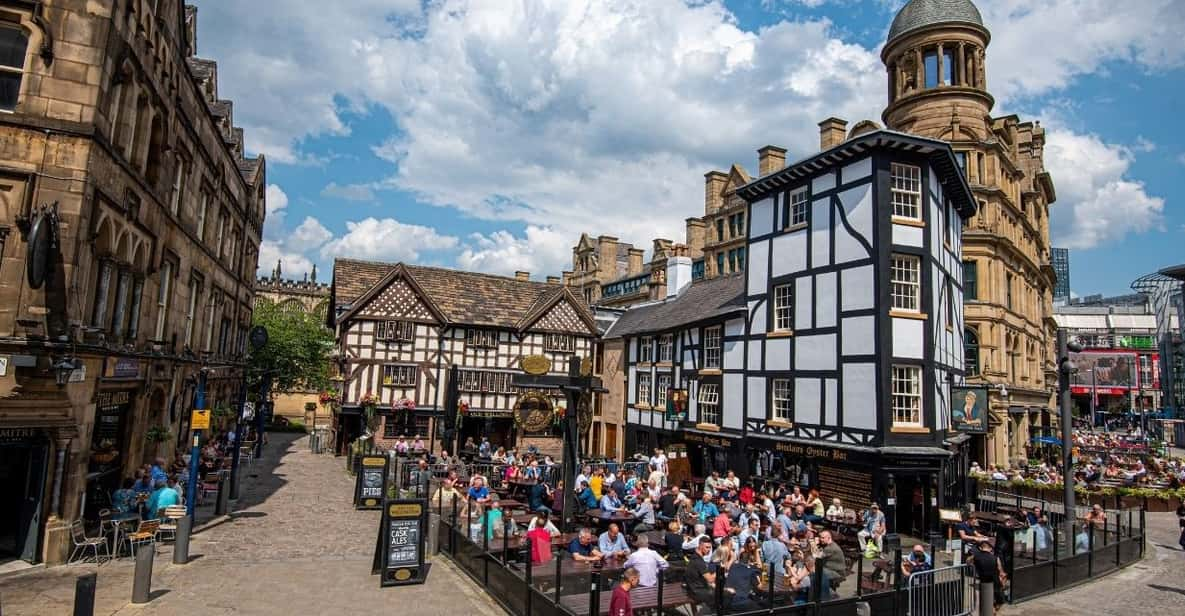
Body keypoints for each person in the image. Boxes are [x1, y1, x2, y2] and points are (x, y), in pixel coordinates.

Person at [971, 539, 1006, 615]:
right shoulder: (995, 558)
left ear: (980, 548)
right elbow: (1001, 573)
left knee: (986, 600)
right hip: (995, 582)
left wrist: (973, 557)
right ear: (990, 549)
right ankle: (993, 610)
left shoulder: (976, 557)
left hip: (984, 582)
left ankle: (992, 610)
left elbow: (968, 561)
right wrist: (1003, 581)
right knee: (1000, 600)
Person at [683, 535, 717, 608]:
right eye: (707, 547)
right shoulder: (699, 561)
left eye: (710, 548)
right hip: (697, 592)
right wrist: (720, 570)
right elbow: (710, 579)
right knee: (724, 595)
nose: (709, 550)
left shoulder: (695, 556)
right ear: (700, 546)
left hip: (692, 589)